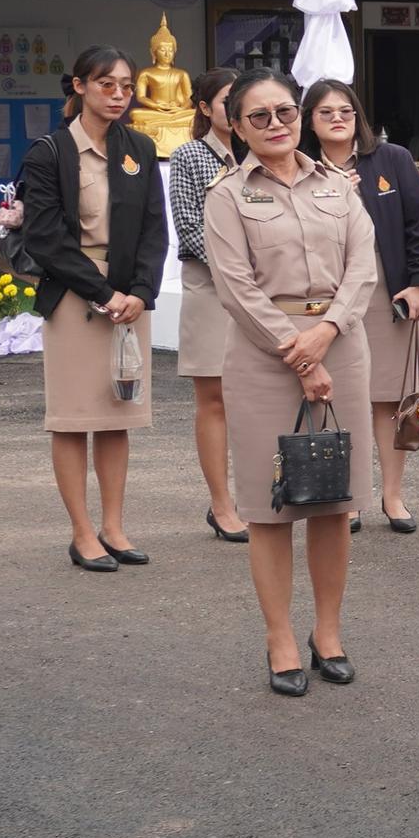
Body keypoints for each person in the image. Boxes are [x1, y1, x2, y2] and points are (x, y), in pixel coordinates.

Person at [203, 68, 377, 697]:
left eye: (285, 112)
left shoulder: (336, 185)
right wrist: (302, 357)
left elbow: (363, 267)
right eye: (259, 116)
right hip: (264, 357)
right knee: (269, 507)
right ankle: (279, 638)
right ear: (236, 125)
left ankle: (327, 633)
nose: (276, 125)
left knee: (333, 502)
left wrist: (326, 333)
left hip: (341, 346)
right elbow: (235, 287)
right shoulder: (227, 195)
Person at [23, 46, 168, 573]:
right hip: (74, 295)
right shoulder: (49, 152)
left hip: (128, 297)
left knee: (115, 416)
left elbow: (154, 228)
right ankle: (82, 532)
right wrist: (102, 294)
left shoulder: (139, 148)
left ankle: (113, 526)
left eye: (126, 86)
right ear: (80, 86)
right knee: (71, 419)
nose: (119, 95)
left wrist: (141, 293)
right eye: (107, 84)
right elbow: (45, 239)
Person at [302, 80, 419, 536]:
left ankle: (392, 496)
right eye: (325, 112)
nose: (337, 119)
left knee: (391, 399)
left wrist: (418, 284)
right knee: (342, 397)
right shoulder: (300, 167)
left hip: (386, 290)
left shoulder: (390, 159)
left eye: (345, 111)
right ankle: (352, 496)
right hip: (327, 293)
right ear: (309, 122)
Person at [168, 66, 247, 543]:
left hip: (265, 294)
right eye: (225, 101)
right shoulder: (190, 155)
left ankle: (258, 496)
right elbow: (189, 227)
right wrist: (242, 272)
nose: (236, 110)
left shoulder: (264, 151)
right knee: (215, 400)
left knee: (259, 398)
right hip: (213, 290)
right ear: (203, 107)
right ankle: (222, 505)